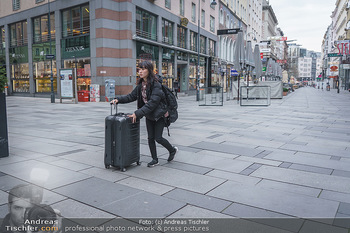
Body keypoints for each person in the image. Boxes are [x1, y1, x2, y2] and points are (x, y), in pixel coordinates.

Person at [110, 60, 178, 167]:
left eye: (143, 69)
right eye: (139, 69)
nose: (140, 71)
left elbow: (152, 103)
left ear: (149, 70)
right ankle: (155, 159)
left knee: (158, 138)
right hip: (149, 115)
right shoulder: (141, 85)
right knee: (150, 138)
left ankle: (172, 150)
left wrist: (137, 113)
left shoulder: (156, 85)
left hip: (160, 115)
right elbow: (131, 96)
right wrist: (118, 99)